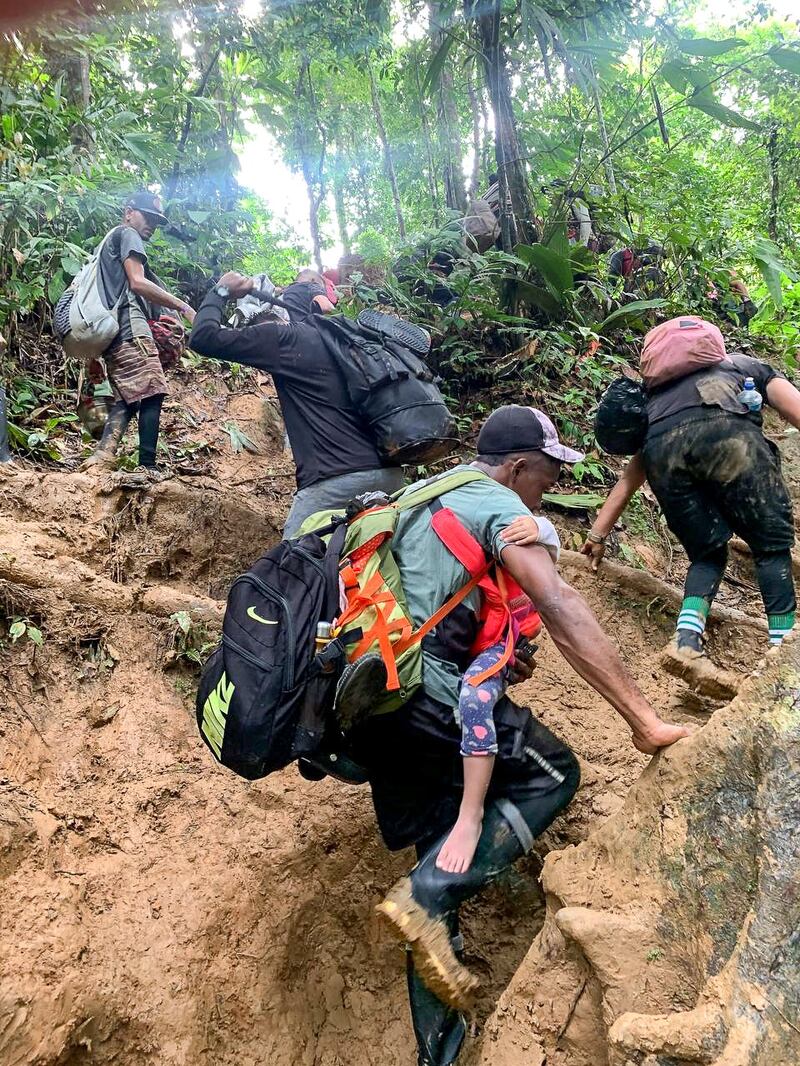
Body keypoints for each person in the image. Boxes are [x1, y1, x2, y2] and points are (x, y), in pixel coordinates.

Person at [344, 404, 689, 1065]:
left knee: (438, 857)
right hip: (430, 695)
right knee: (552, 772)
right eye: (547, 473)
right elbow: (558, 604)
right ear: (517, 466)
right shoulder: (498, 504)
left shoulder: (419, 494)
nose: (548, 488)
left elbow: (427, 599)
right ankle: (425, 897)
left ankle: (436, 1056)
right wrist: (641, 720)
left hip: (375, 704)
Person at [582, 320, 800, 696]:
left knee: (706, 555)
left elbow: (631, 477)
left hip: (663, 459)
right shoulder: (744, 366)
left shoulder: (653, 403)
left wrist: (597, 534)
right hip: (733, 444)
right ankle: (783, 651)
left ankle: (686, 640)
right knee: (770, 548)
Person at [188, 270, 405, 537]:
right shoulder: (354, 343)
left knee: (292, 568)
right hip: (391, 476)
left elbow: (202, 337)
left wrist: (221, 290)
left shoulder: (287, 338)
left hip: (335, 478)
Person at [436, 514, 543, 875]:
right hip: (450, 633)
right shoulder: (450, 513)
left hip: (496, 643)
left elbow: (550, 545)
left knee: (474, 698)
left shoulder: (511, 519)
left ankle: (471, 815)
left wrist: (540, 529)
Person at [80, 191, 195, 479]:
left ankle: (102, 456)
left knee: (128, 400)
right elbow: (138, 282)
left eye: (157, 220)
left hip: (113, 334)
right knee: (154, 392)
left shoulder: (109, 242)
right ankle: (148, 467)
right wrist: (183, 306)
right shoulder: (127, 234)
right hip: (130, 329)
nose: (153, 225)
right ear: (129, 212)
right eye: (149, 217)